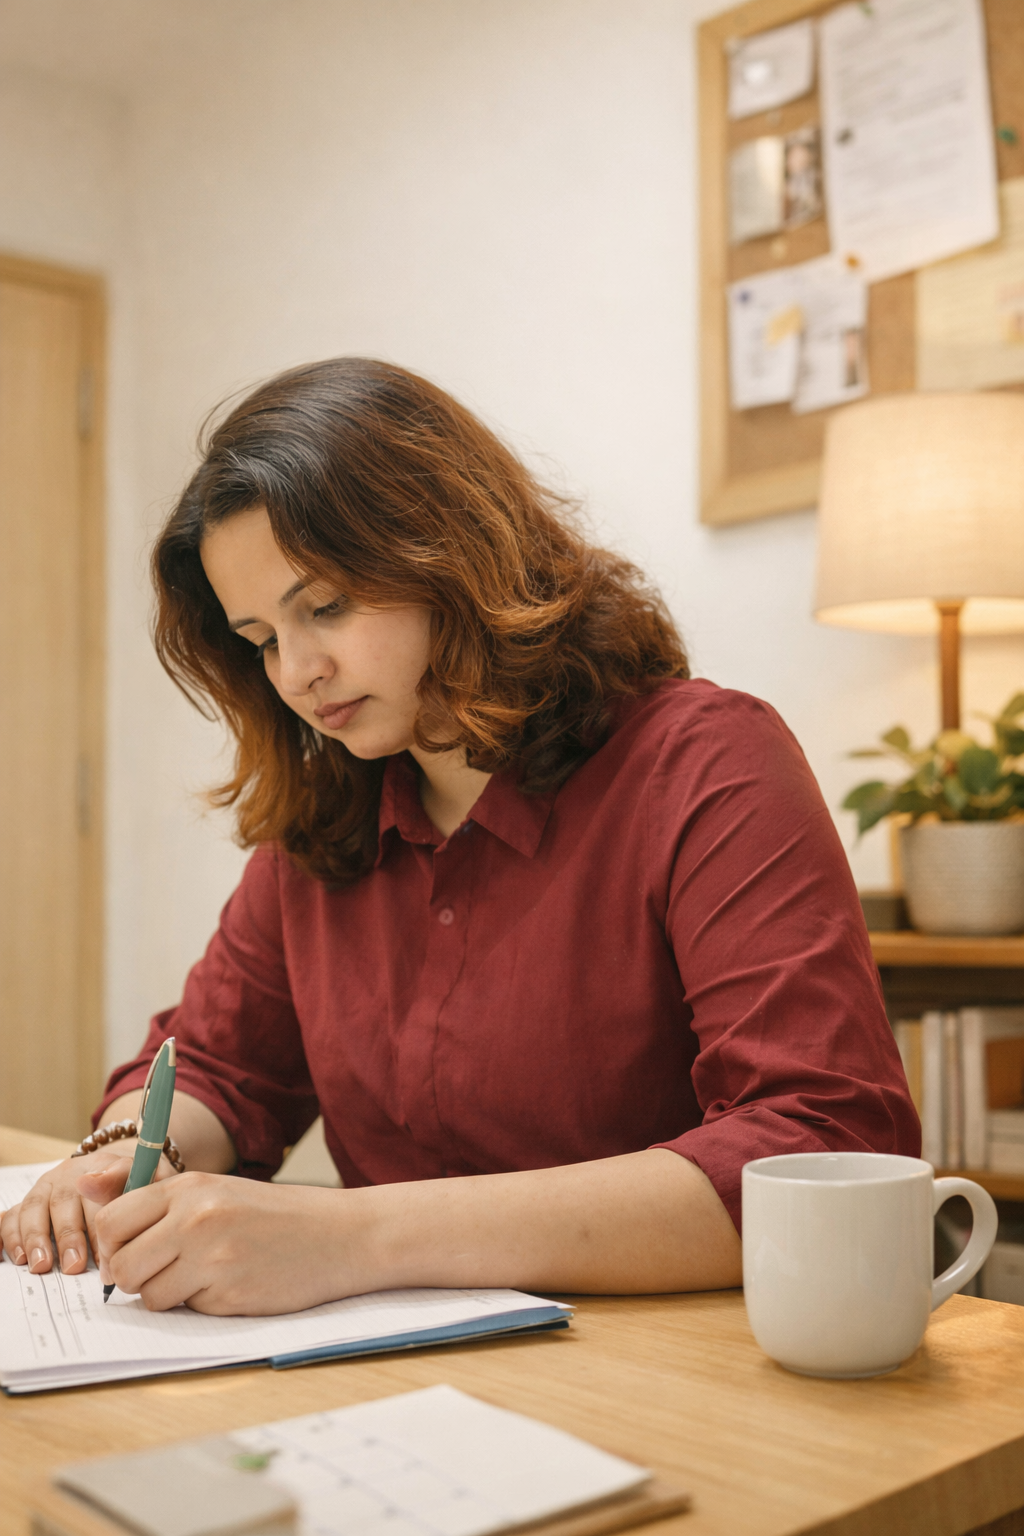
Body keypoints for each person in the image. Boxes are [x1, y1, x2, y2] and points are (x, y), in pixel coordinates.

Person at [0, 359, 919, 1315]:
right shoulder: (328, 814)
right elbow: (220, 1066)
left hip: (667, 1357)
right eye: (263, 639)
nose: (300, 671)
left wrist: (352, 1237)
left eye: (326, 607)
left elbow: (823, 1143)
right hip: (395, 1369)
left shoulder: (704, 763)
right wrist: (120, 1155)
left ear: (448, 553)